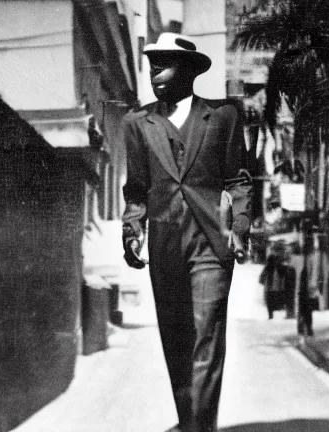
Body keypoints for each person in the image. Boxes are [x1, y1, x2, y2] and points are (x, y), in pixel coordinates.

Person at [121, 33, 253, 432]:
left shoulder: (224, 116)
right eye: (151, 64)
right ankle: (188, 421)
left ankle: (201, 427)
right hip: (163, 243)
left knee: (207, 334)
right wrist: (131, 231)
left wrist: (240, 227)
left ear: (190, 71)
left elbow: (239, 179)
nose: (154, 72)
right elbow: (136, 189)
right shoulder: (136, 123)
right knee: (175, 338)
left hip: (211, 242)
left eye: (164, 63)